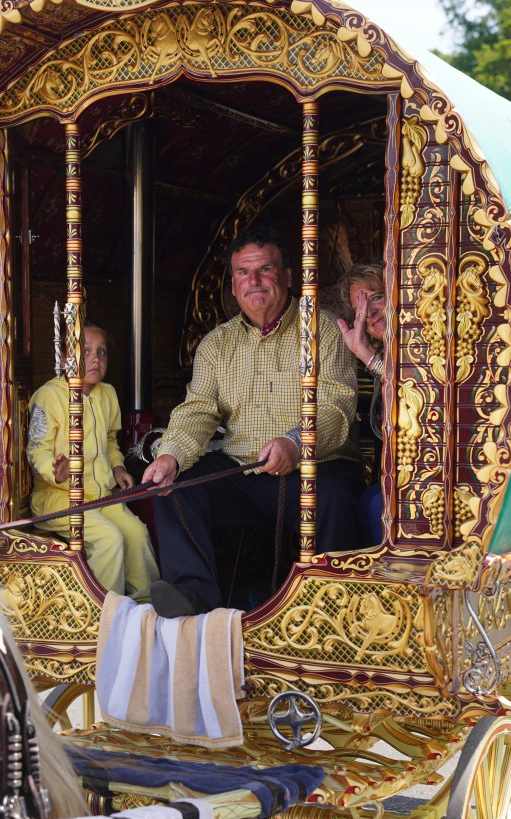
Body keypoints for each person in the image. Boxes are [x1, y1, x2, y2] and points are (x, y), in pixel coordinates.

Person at [142, 224, 362, 617]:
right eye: (243, 273)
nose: (254, 281)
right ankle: (192, 595)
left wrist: (296, 443)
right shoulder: (217, 343)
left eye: (265, 269)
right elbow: (198, 411)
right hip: (242, 471)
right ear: (232, 284)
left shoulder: (324, 330)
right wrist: (170, 456)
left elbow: (336, 406)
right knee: (174, 488)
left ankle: (335, 607)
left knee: (334, 499)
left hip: (315, 466)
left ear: (289, 277)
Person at [27, 321, 160, 602]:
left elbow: (111, 442)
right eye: (85, 351)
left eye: (101, 352)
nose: (95, 359)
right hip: (58, 497)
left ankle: (146, 608)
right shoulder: (48, 396)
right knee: (110, 538)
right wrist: (55, 471)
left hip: (100, 496)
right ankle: (103, 616)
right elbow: (36, 451)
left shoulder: (107, 394)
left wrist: (118, 468)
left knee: (136, 533)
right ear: (65, 358)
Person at [336, 259, 385, 546]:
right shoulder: (387, 354)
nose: (370, 313)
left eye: (376, 297)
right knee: (366, 500)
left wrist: (367, 355)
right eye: (361, 309)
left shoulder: (423, 342)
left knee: (379, 506)